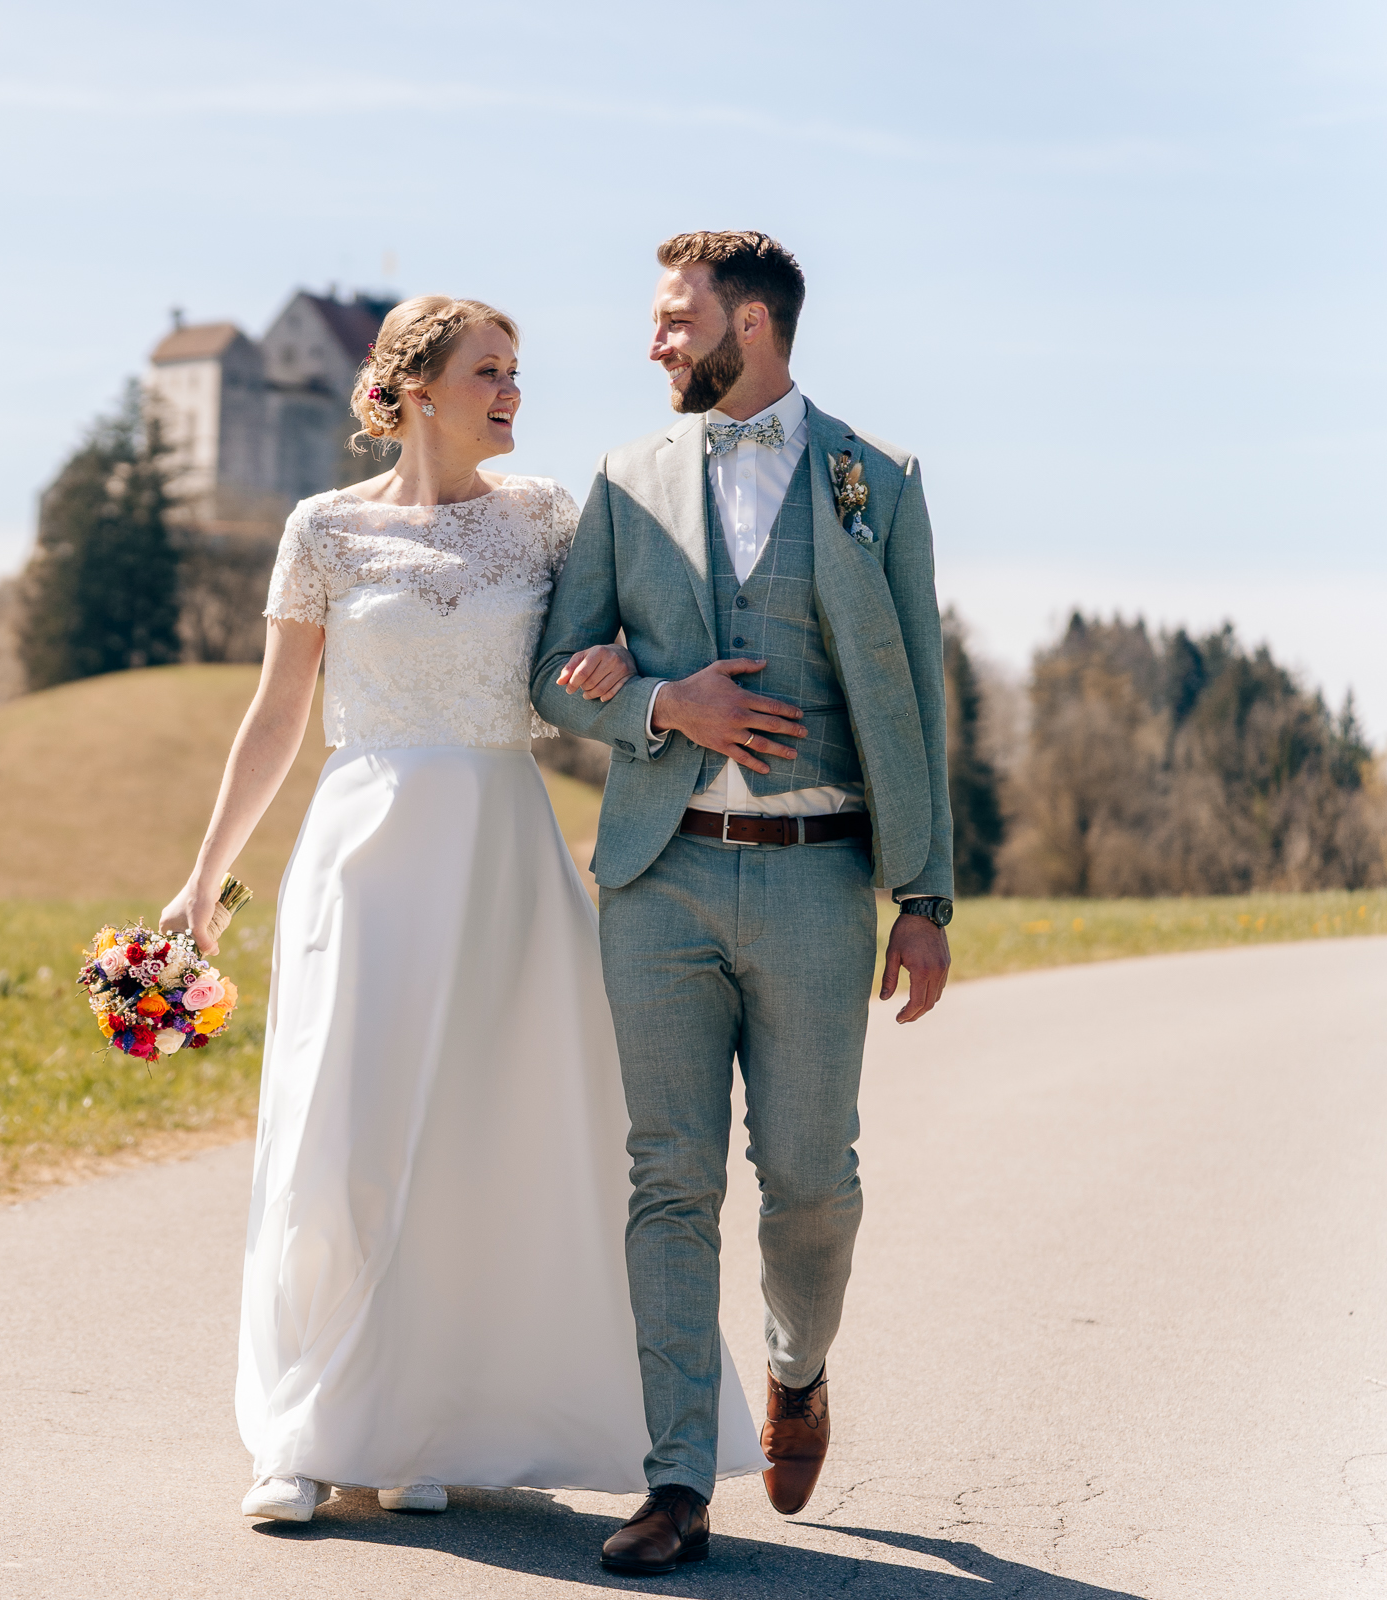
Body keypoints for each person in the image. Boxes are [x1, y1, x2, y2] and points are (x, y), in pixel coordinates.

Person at [161, 294, 763, 1526]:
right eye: (489, 370)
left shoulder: (545, 517)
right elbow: (278, 715)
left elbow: (602, 654)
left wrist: (647, 687)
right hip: (364, 854)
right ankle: (300, 1431)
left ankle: (413, 1417)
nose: (512, 392)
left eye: (517, 371)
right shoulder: (322, 529)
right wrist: (202, 878)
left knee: (469, 1145)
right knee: (339, 1132)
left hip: (501, 852)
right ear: (414, 387)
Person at [533, 232, 955, 1577]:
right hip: (658, 876)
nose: (654, 343)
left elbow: (917, 699)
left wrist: (926, 892)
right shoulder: (621, 478)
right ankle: (673, 1479)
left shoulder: (876, 482)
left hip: (822, 881)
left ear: (752, 325)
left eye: (675, 319)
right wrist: (663, 701)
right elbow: (551, 676)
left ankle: (799, 1366)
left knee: (811, 1182)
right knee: (669, 1180)